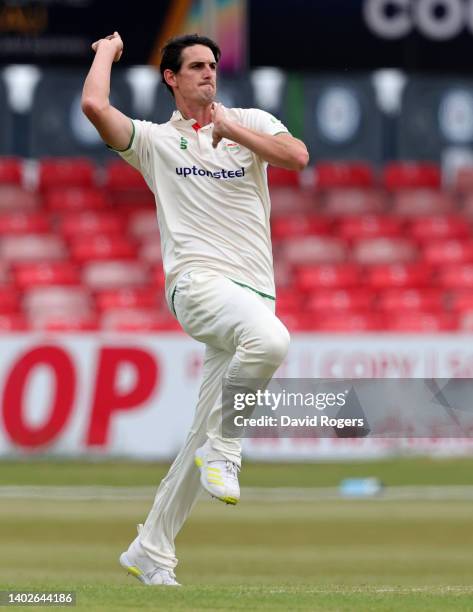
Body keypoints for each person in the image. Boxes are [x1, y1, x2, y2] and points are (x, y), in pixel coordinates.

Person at [82, 31, 309, 586]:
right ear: (171, 78)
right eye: (197, 67)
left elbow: (298, 157)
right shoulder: (155, 142)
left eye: (213, 65)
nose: (209, 73)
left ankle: (151, 548)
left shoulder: (248, 121)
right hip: (197, 286)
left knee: (198, 435)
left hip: (252, 293)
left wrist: (231, 128)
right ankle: (228, 450)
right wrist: (104, 55)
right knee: (273, 341)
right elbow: (95, 106)